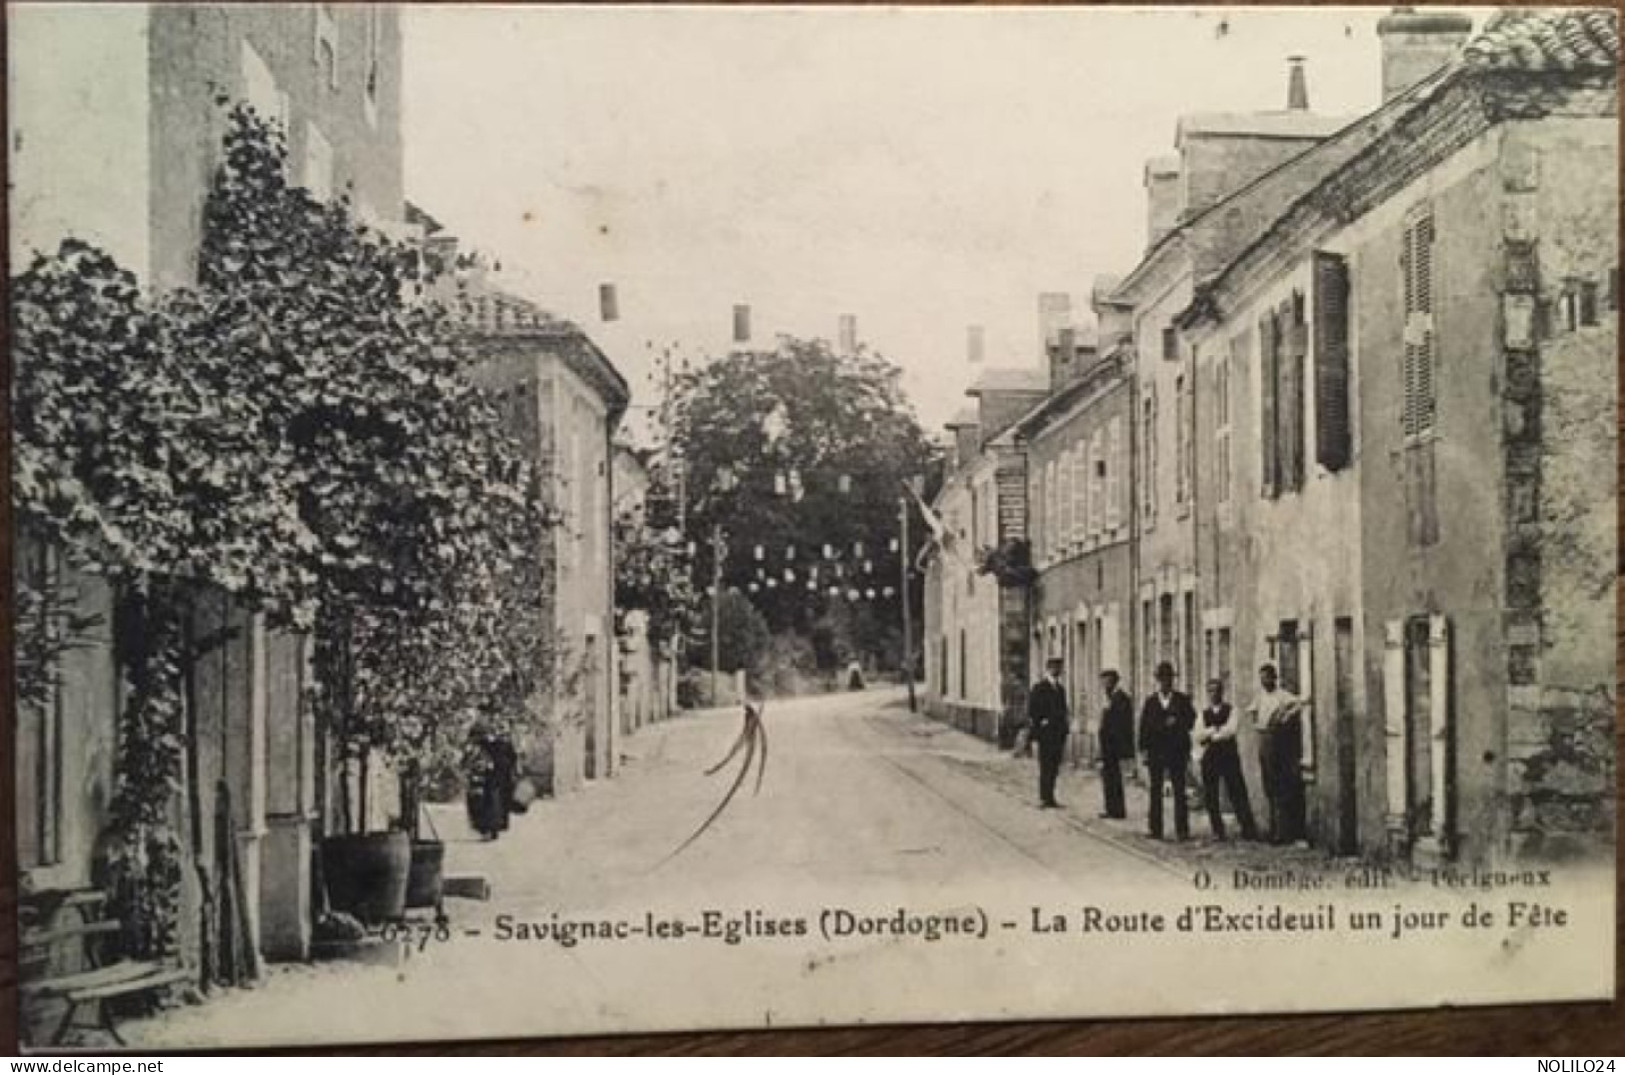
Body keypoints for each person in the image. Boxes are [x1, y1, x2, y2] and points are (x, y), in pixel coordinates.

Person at [1194, 678, 1259, 841]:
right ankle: (1218, 830)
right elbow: (1198, 734)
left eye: (1216, 690)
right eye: (1210, 691)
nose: (1213, 694)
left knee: (1237, 790)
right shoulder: (1203, 713)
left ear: (1222, 692)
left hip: (1228, 755)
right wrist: (1212, 731)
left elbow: (1231, 730)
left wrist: (1211, 734)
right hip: (1210, 757)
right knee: (1211, 794)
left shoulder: (1232, 710)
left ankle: (1248, 829)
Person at [1248, 663, 1306, 845]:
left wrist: (1285, 716)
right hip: (1264, 739)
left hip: (1279, 742)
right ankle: (1273, 828)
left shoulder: (1283, 696)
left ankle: (1283, 831)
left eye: (1267, 677)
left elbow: (1300, 702)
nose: (1265, 681)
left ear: (1274, 677)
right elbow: (1252, 714)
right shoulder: (1259, 697)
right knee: (1269, 786)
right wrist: (1258, 724)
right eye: (1262, 678)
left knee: (1281, 785)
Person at [1138, 661, 1196, 841]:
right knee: (1155, 790)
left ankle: (1182, 830)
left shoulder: (1182, 700)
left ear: (1172, 680)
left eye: (1168, 679)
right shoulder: (1151, 702)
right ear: (1157, 681)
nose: (1165, 682)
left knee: (1180, 790)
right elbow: (1144, 728)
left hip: (1177, 751)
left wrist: (1177, 722)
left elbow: (1192, 721)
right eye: (1161, 679)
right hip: (1156, 751)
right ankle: (1155, 829)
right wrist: (1144, 750)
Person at [1026, 657, 1070, 808]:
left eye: (1059, 668)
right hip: (1046, 735)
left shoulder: (1061, 689)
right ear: (1048, 669)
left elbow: (1063, 711)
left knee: (1055, 766)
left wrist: (1065, 729)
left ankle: (1051, 797)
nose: (1057, 670)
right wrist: (1041, 723)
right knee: (1045, 766)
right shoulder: (1039, 688)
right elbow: (1032, 710)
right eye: (1054, 667)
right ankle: (1044, 797)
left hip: (1058, 734)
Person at [1096, 670, 1135, 820]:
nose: (1105, 684)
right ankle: (1111, 808)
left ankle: (1117, 810)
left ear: (1114, 682)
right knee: (1108, 777)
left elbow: (1122, 725)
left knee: (1114, 777)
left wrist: (1122, 746)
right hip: (1107, 745)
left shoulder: (1121, 699)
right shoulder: (1110, 698)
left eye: (1108, 681)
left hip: (1115, 745)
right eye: (1104, 681)